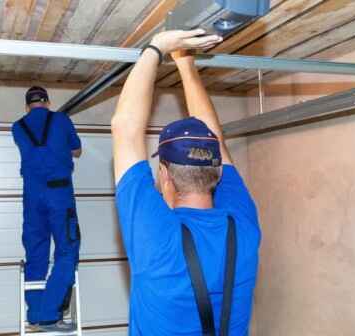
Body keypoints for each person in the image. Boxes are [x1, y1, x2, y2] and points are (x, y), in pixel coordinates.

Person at [111, 30, 261, 335]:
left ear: (164, 175)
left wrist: (160, 46)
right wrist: (183, 63)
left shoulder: (156, 238)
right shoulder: (242, 223)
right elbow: (124, 129)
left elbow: (126, 128)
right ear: (218, 173)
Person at [12, 86, 82, 332]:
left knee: (36, 253)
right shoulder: (61, 120)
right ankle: (50, 314)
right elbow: (77, 150)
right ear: (48, 102)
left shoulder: (17, 127)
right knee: (67, 249)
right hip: (58, 194)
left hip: (32, 197)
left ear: (27, 106)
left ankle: (34, 315)